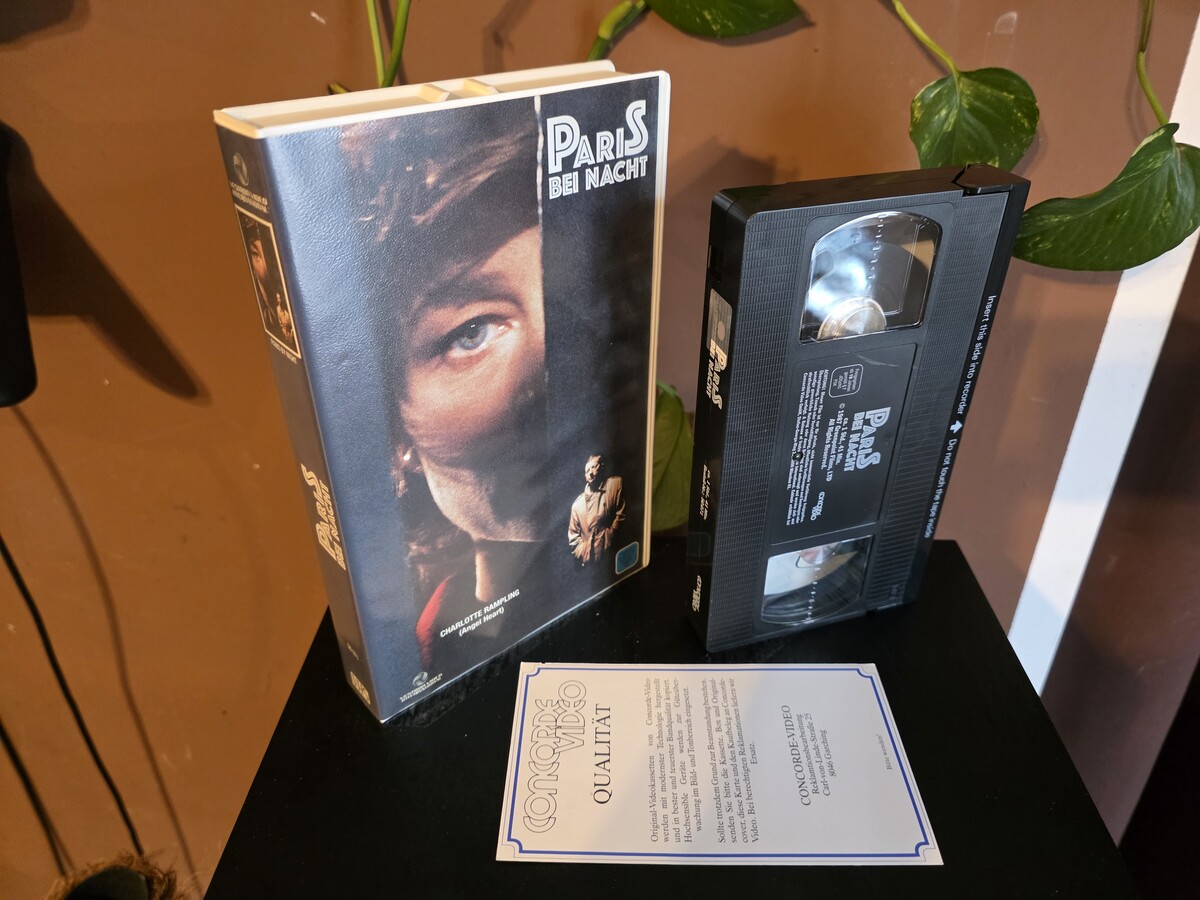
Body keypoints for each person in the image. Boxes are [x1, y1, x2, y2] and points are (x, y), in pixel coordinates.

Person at [344, 101, 551, 674]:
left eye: (572, 298)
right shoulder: (410, 662)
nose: (556, 367)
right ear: (394, 435)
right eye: (471, 332)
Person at [568, 454, 625, 566]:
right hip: (590, 562)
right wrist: (584, 552)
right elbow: (573, 537)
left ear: (602, 467)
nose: (590, 473)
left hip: (611, 555)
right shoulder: (577, 505)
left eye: (593, 467)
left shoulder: (614, 485)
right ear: (585, 476)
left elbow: (621, 515)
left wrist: (609, 537)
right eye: (587, 470)